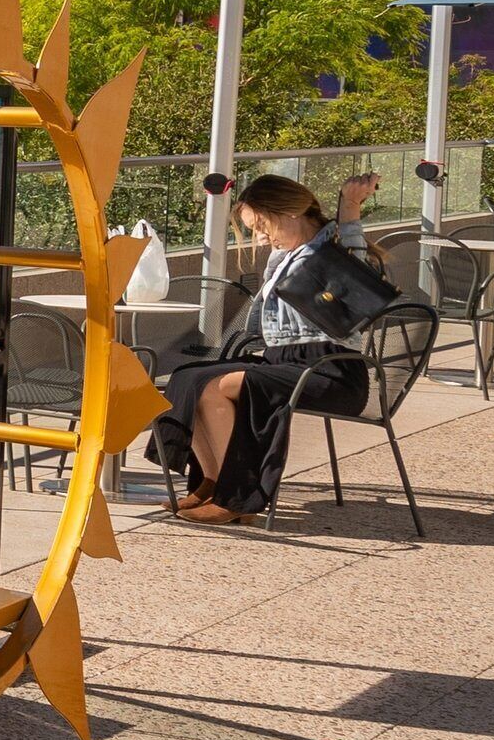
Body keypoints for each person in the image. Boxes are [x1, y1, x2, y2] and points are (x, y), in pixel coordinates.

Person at [147, 171, 381, 524]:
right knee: (187, 377)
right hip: (283, 363)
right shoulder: (284, 254)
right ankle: (212, 482)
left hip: (329, 371)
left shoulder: (328, 249)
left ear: (288, 213)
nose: (259, 237)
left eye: (261, 226)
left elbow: (357, 269)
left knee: (221, 387)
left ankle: (236, 497)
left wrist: (350, 208)